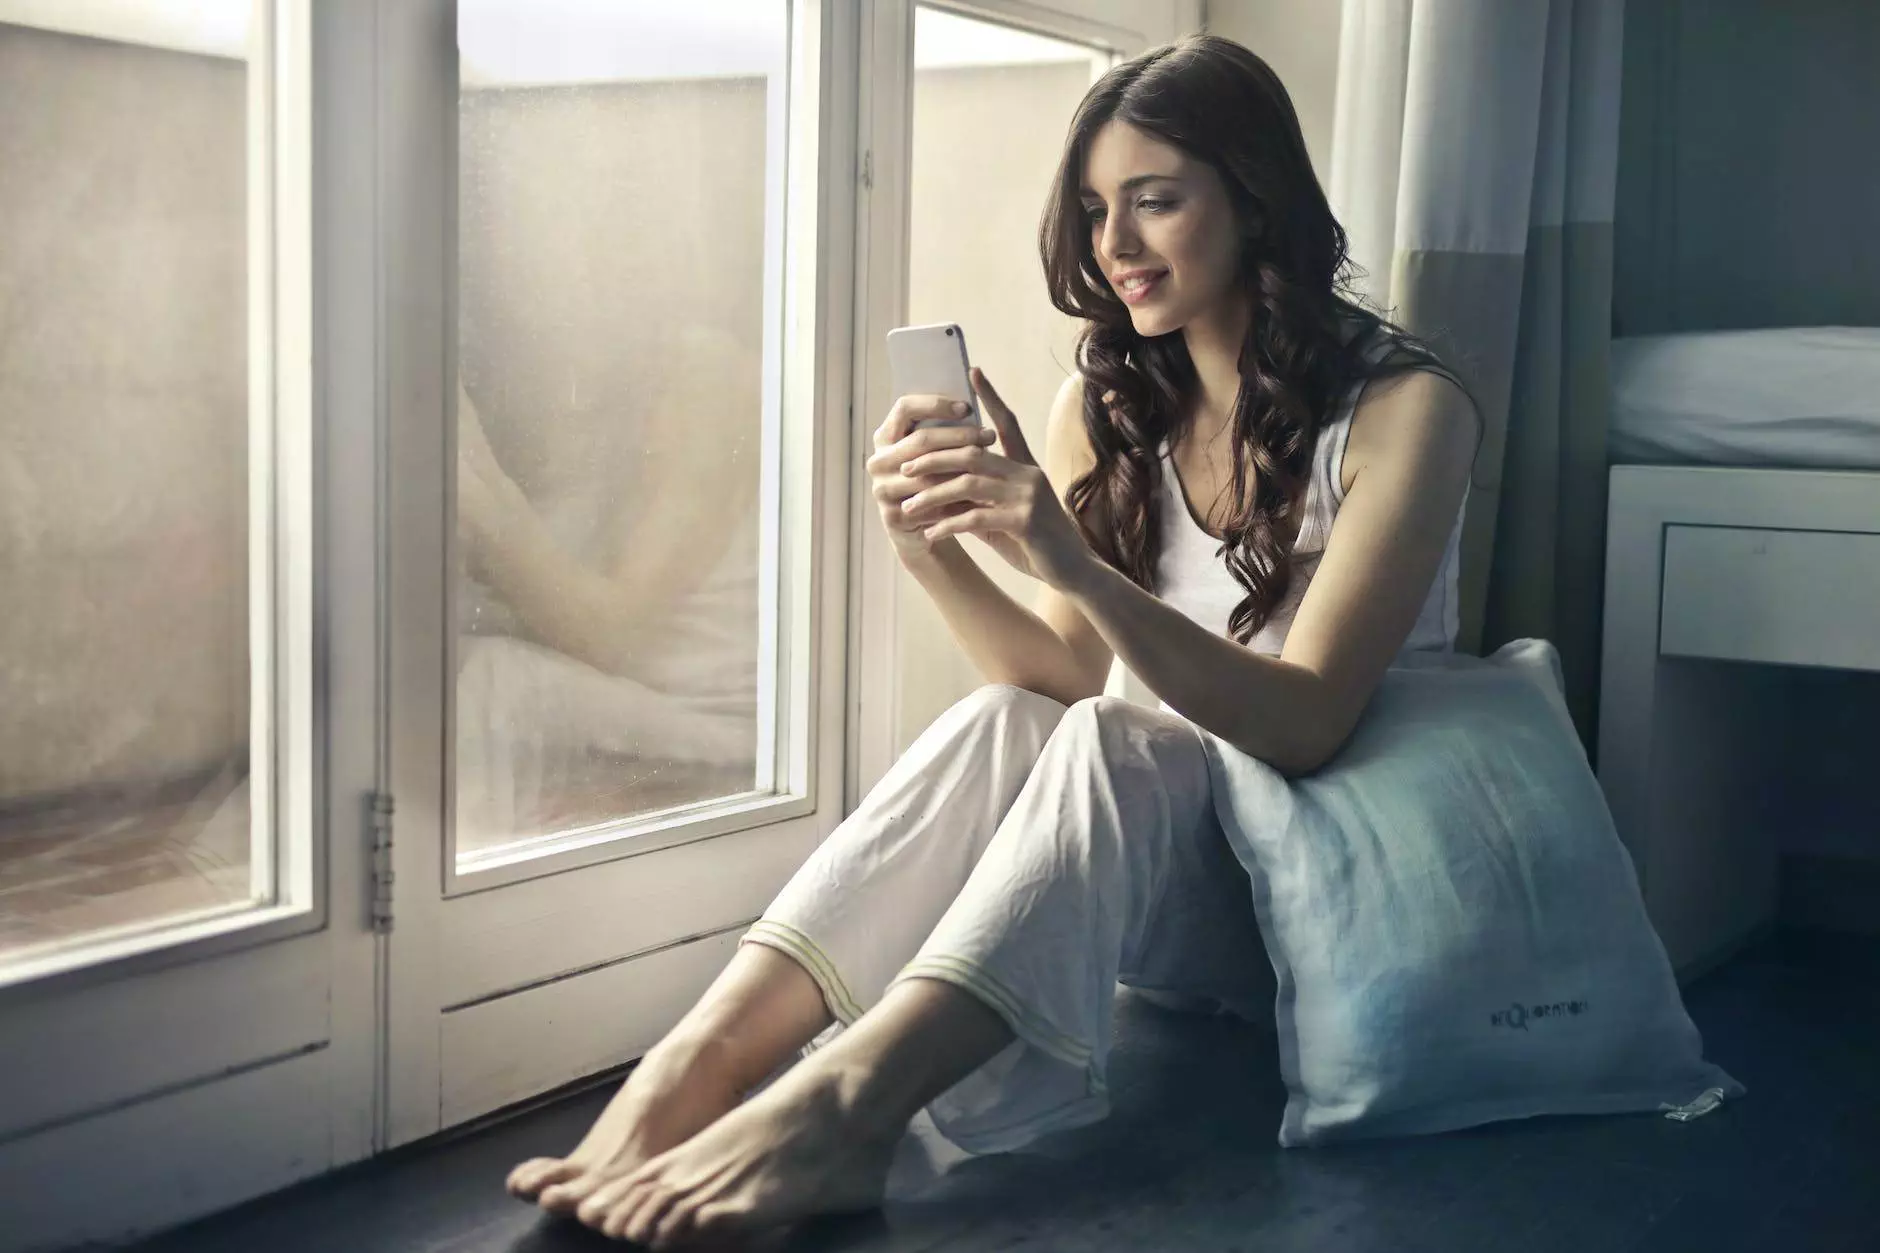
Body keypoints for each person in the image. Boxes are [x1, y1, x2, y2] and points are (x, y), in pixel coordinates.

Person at [504, 33, 1478, 1248]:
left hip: (1329, 889)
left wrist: (1066, 559)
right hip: (1158, 874)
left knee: (1123, 743)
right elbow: (1059, 677)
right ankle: (686, 1072)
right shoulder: (1113, 405)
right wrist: (936, 548)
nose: (1112, 247)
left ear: (1254, 197)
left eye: (1153, 201)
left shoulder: (1402, 408)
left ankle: (848, 1101)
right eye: (1090, 210)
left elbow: (1306, 719)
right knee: (1003, 718)